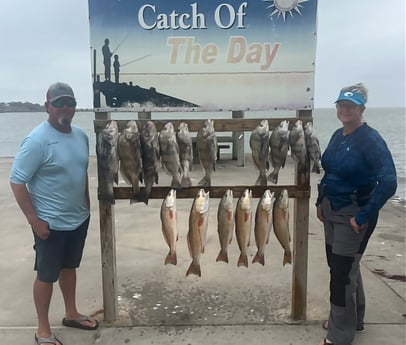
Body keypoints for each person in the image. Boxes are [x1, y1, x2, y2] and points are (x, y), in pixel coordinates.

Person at [10, 82, 99, 345]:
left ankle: (71, 313)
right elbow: (17, 181)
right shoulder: (37, 140)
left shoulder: (81, 136)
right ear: (47, 106)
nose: (65, 108)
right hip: (50, 223)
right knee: (46, 275)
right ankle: (43, 330)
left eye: (69, 103)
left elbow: (80, 170)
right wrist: (34, 220)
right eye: (58, 103)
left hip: (78, 218)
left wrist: (86, 200)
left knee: (70, 267)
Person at [315, 83, 397, 345]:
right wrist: (320, 201)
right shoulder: (339, 135)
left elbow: (389, 182)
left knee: (341, 274)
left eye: (351, 106)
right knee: (343, 267)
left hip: (353, 214)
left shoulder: (370, 140)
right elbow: (329, 172)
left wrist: (363, 217)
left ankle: (340, 335)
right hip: (331, 210)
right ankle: (353, 318)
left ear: (361, 108)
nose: (345, 109)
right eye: (341, 105)